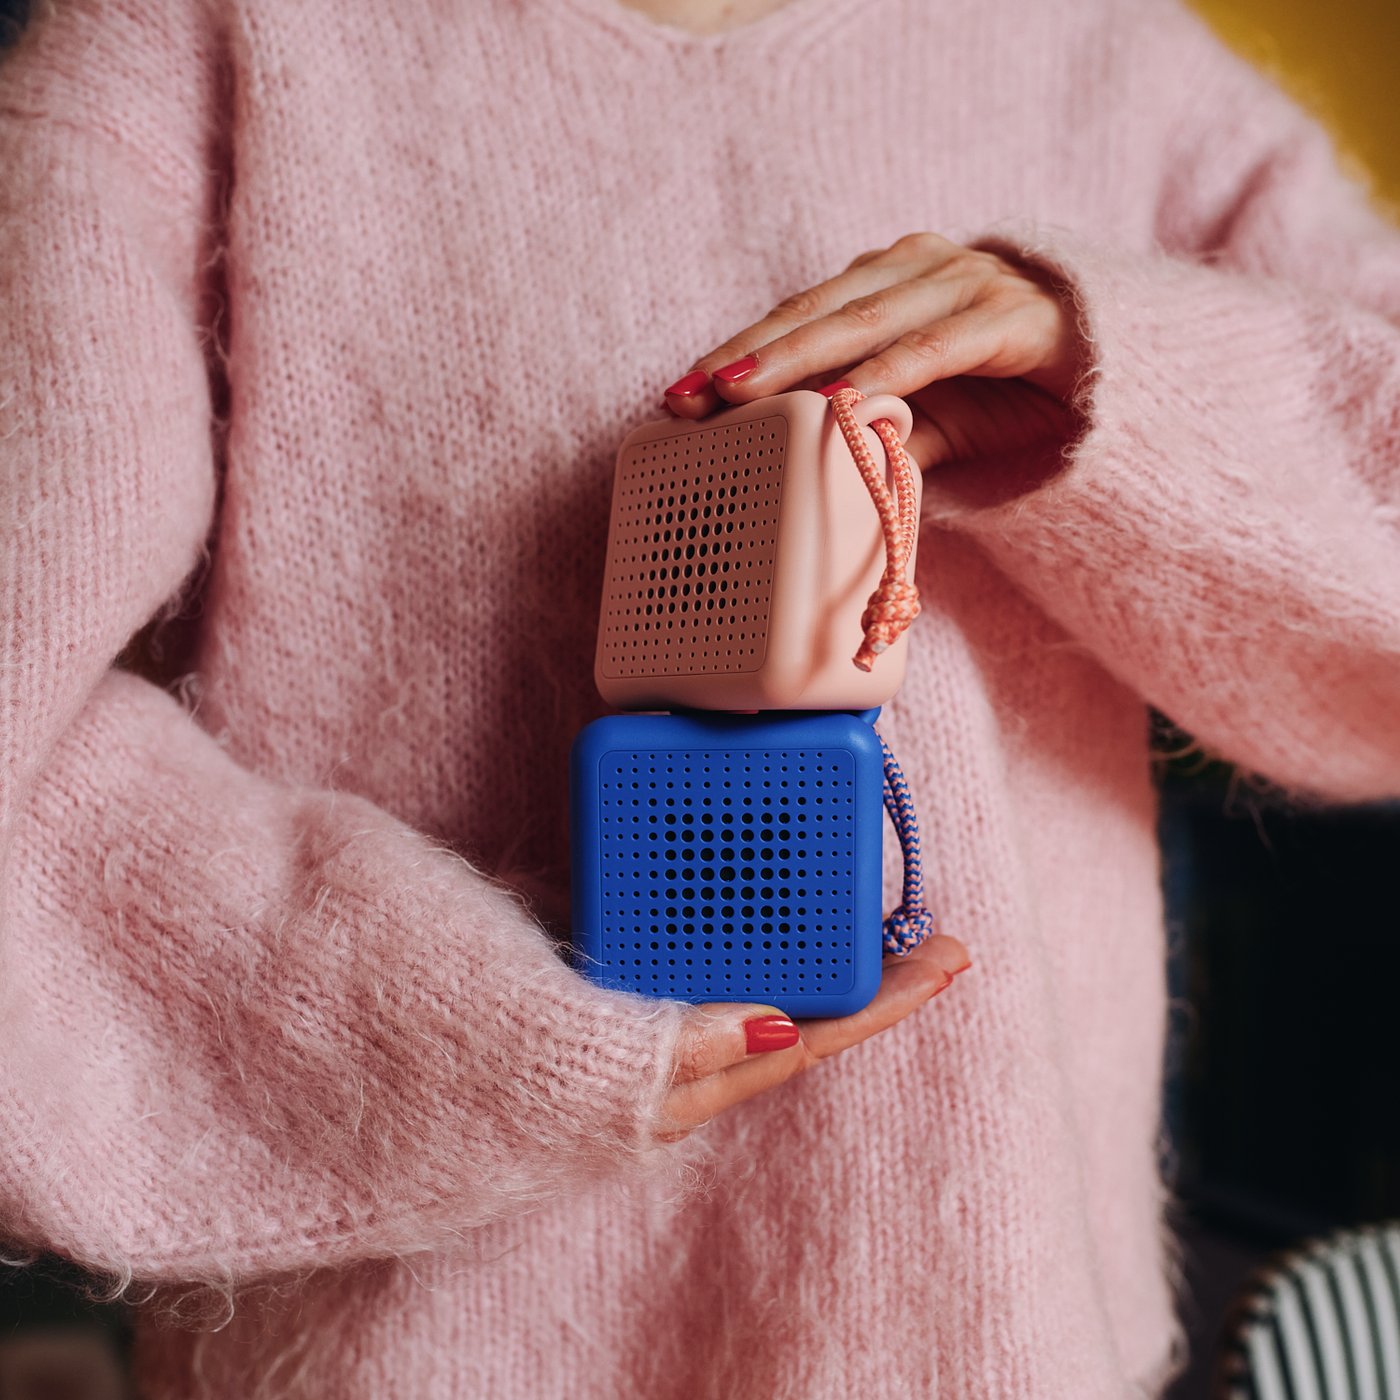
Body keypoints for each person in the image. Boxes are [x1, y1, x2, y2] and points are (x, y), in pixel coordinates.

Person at [1, 0, 1397, 1394]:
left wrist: (1130, 372)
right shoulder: (214, 39)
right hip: (417, 1343)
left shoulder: (1109, 60)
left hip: (975, 1315)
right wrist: (403, 1021)